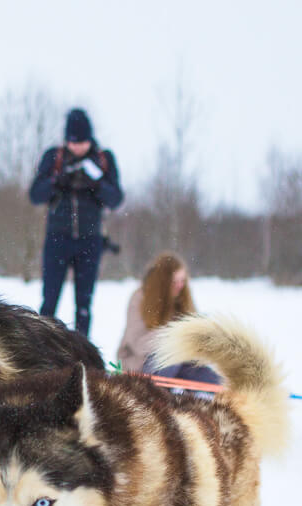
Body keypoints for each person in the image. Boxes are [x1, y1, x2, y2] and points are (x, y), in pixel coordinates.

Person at [29, 108, 123, 336]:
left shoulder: (103, 159)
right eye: (73, 142)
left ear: (90, 139)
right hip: (57, 239)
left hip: (89, 241)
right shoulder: (55, 157)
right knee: (49, 302)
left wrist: (97, 182)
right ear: (66, 139)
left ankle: (82, 354)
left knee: (84, 306)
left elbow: (116, 198)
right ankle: (43, 351)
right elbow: (35, 195)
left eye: (82, 142)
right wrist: (56, 181)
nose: (78, 147)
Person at [117, 252, 220, 388]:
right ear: (162, 282)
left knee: (214, 382)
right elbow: (138, 344)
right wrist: (175, 335)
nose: (180, 286)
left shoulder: (182, 299)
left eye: (182, 281)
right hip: (140, 363)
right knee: (170, 357)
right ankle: (153, 398)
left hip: (180, 362)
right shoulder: (139, 299)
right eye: (174, 281)